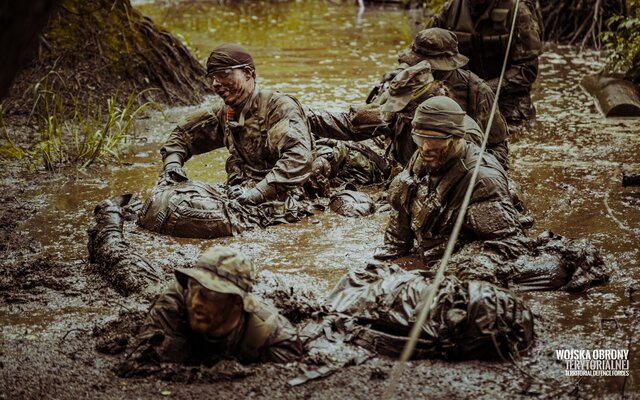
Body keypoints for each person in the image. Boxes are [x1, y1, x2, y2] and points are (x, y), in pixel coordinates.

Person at [160, 43, 314, 206]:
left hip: (288, 190)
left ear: (247, 73)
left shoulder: (279, 108)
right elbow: (182, 135)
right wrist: (172, 164)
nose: (215, 84)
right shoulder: (225, 113)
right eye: (213, 77)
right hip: (244, 190)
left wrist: (257, 193)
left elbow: (299, 158)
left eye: (223, 74)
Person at [374, 96, 522, 261]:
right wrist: (395, 246)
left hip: (457, 263)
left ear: (457, 138)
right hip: (431, 250)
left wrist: (455, 266)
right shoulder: (423, 154)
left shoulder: (482, 181)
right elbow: (403, 201)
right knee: (402, 184)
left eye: (435, 140)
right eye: (420, 139)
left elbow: (510, 247)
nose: (425, 148)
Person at [120, 246, 303, 369]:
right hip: (144, 280)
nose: (196, 301)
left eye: (211, 294)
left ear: (237, 303)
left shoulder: (273, 338)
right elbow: (141, 363)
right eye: (195, 287)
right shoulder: (174, 303)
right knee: (122, 261)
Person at [427, 0, 543, 125]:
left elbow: (527, 70)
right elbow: (424, 52)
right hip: (463, 95)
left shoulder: (518, 11)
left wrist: (484, 89)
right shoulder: (451, 10)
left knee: (511, 138)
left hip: (509, 100)